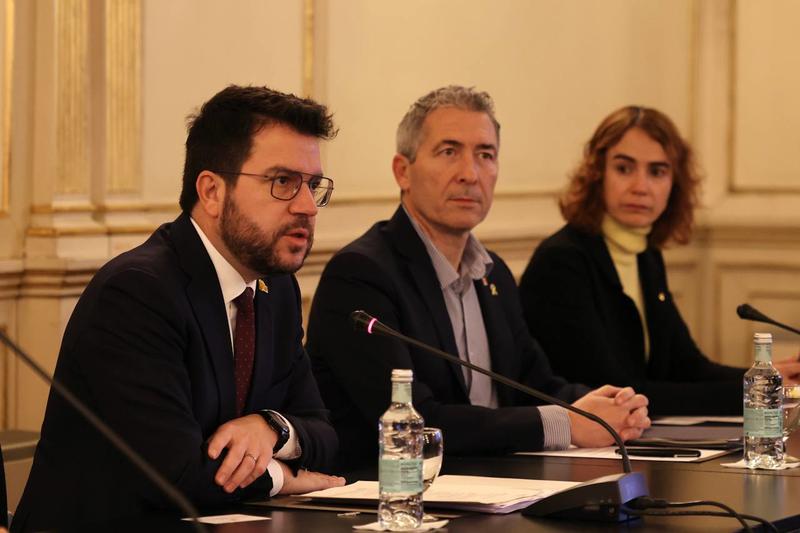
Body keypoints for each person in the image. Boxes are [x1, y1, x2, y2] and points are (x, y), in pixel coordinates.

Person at [12, 85, 344, 531]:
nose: (307, 207)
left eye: (312, 185)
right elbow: (176, 475)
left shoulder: (275, 290)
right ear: (211, 191)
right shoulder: (137, 295)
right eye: (282, 182)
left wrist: (270, 428)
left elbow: (322, 431)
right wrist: (281, 476)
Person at [305, 86, 650, 471]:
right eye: (449, 152)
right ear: (403, 171)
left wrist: (610, 408)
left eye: (485, 155)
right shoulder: (361, 275)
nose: (470, 174)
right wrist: (565, 423)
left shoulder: (493, 273)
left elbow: (534, 384)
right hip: (388, 501)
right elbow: (412, 422)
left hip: (495, 486)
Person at [518, 106, 800, 417]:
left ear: (674, 184)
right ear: (597, 174)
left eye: (657, 171)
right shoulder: (562, 262)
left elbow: (686, 366)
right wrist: (756, 390)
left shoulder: (646, 255)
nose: (641, 186)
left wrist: (767, 378)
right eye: (624, 169)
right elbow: (616, 392)